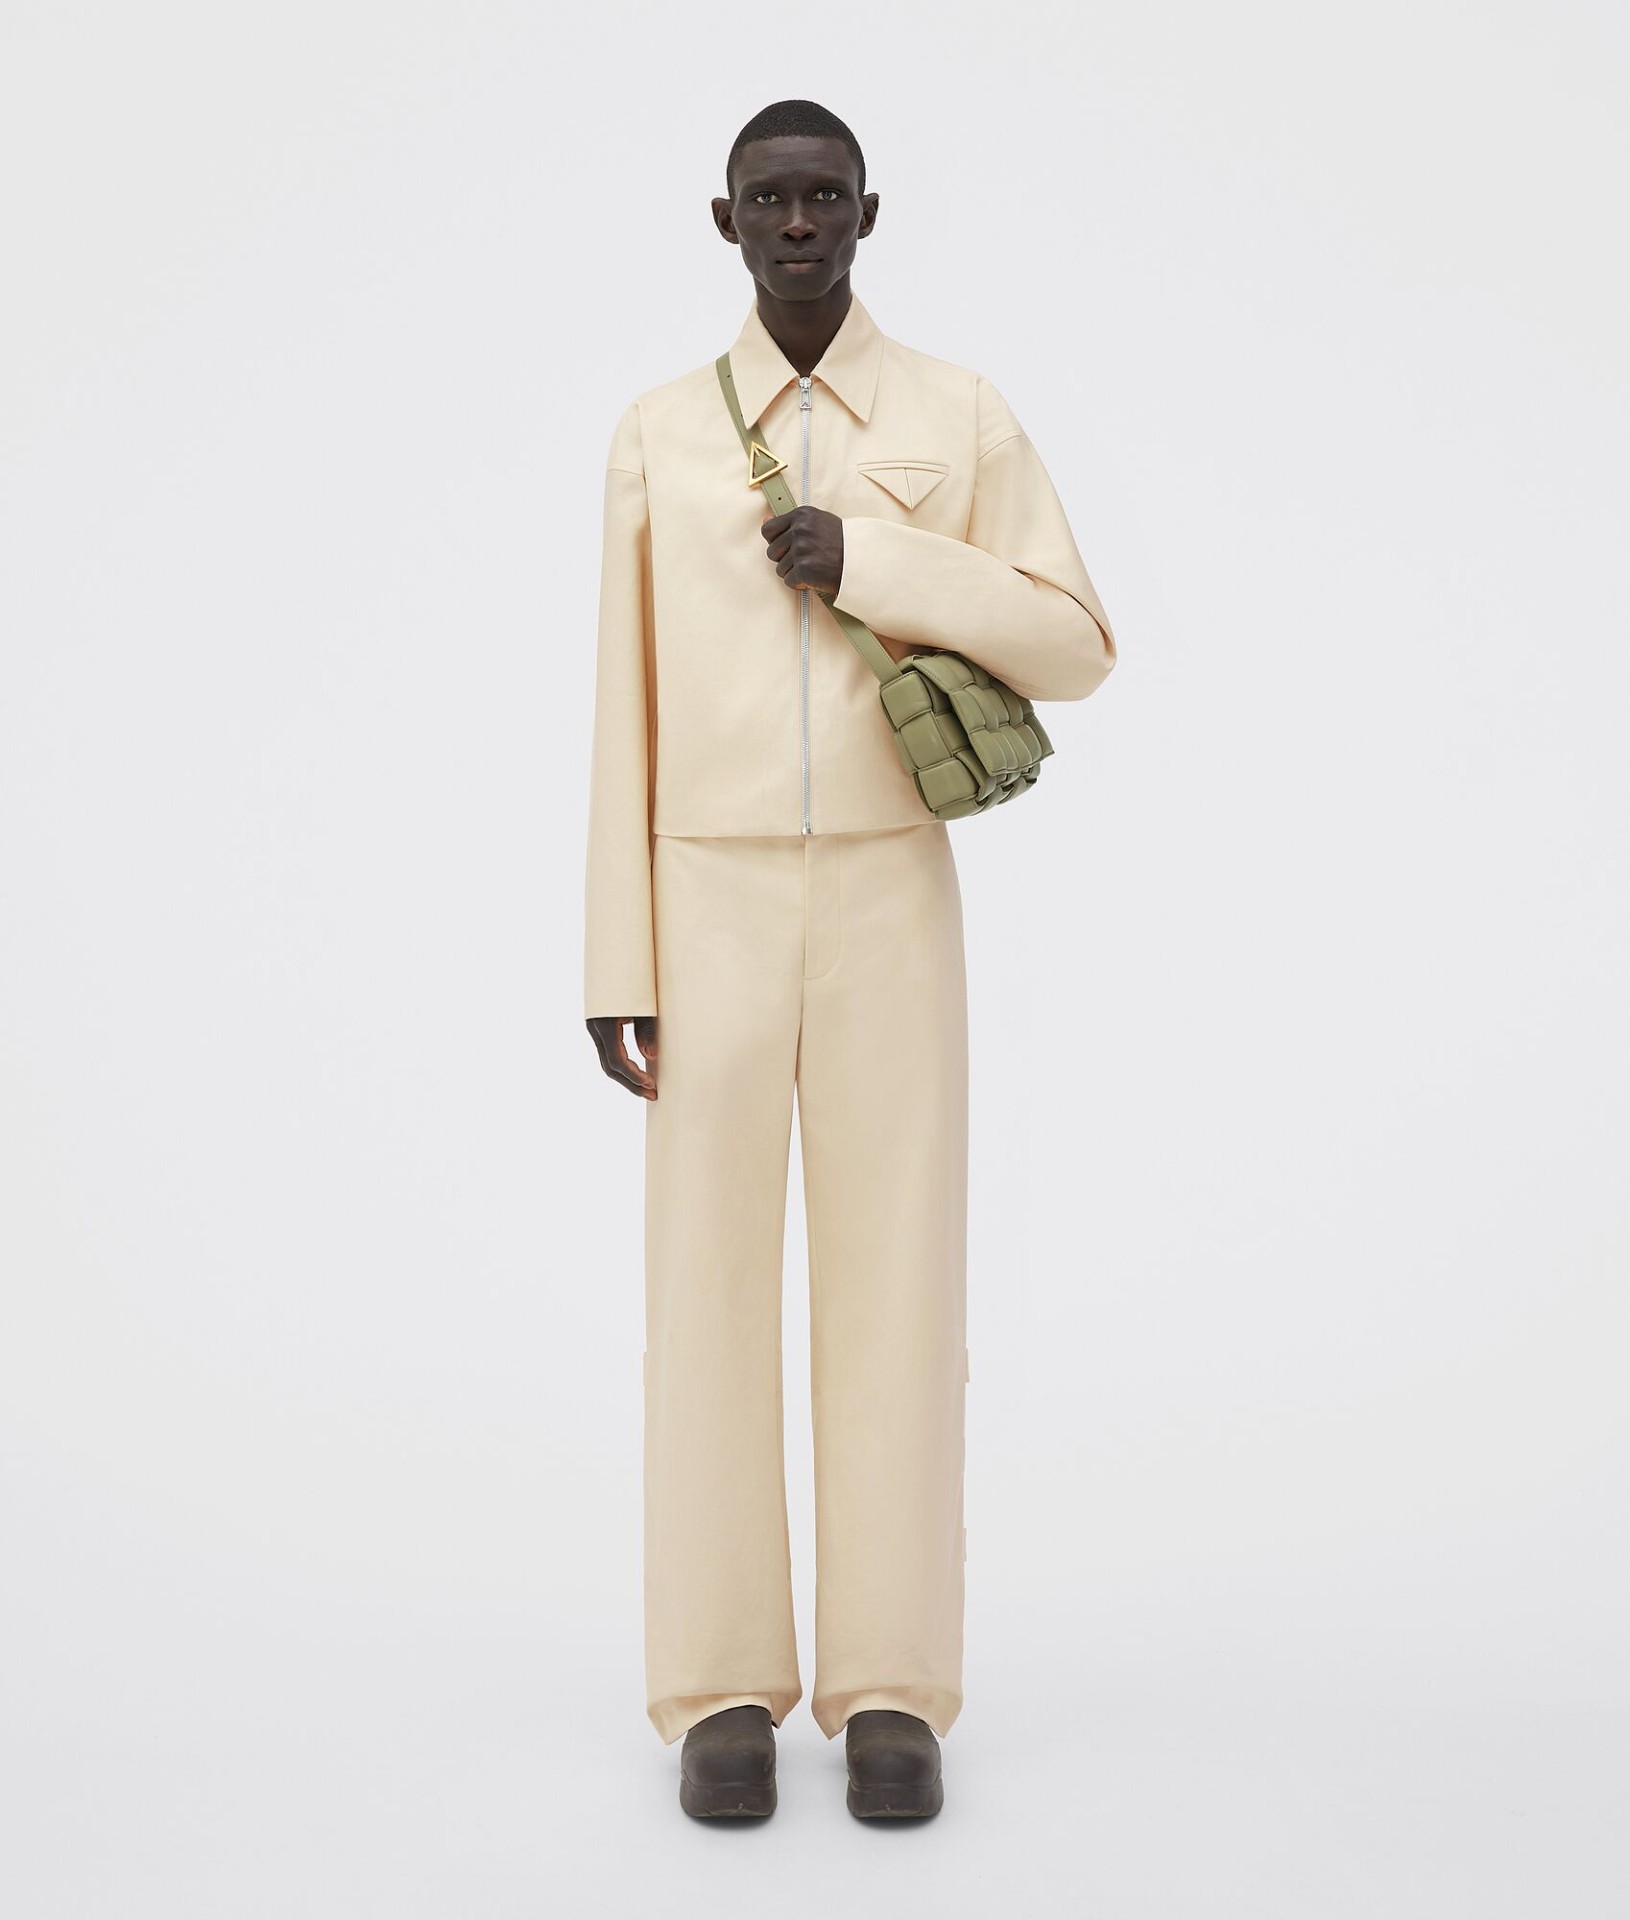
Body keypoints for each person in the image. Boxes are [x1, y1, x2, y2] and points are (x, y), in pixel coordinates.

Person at [582, 97, 1116, 1821]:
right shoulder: (660, 433)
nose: (798, 223)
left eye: (824, 196)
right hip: (704, 898)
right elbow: (621, 702)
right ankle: (719, 1687)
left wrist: (875, 558)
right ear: (722, 221)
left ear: (868, 213)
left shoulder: (958, 414)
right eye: (769, 199)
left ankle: (892, 1687)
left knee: (897, 1286)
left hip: (891, 892)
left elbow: (1076, 643)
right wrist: (615, 951)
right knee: (704, 1295)